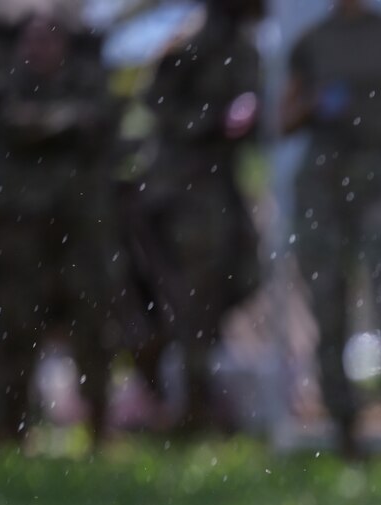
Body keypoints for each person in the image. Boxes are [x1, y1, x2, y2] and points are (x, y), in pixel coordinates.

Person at [281, 0, 381, 459]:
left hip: (379, 179)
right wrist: (313, 102)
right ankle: (343, 428)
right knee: (328, 306)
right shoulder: (310, 43)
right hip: (321, 183)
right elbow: (282, 119)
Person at [0, 15, 121, 449]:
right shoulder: (9, 84)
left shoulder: (89, 81)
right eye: (31, 40)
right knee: (18, 329)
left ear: (63, 46)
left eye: (47, 40)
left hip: (80, 232)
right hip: (22, 234)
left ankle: (99, 430)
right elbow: (13, 124)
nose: (38, 49)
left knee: (93, 328)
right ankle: (12, 429)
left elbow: (100, 123)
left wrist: (52, 124)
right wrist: (62, 122)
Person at [144, 0, 264, 435]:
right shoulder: (189, 43)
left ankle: (197, 398)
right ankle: (189, 408)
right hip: (187, 193)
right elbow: (159, 106)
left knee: (237, 281)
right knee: (191, 301)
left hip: (222, 191)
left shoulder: (243, 45)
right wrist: (213, 121)